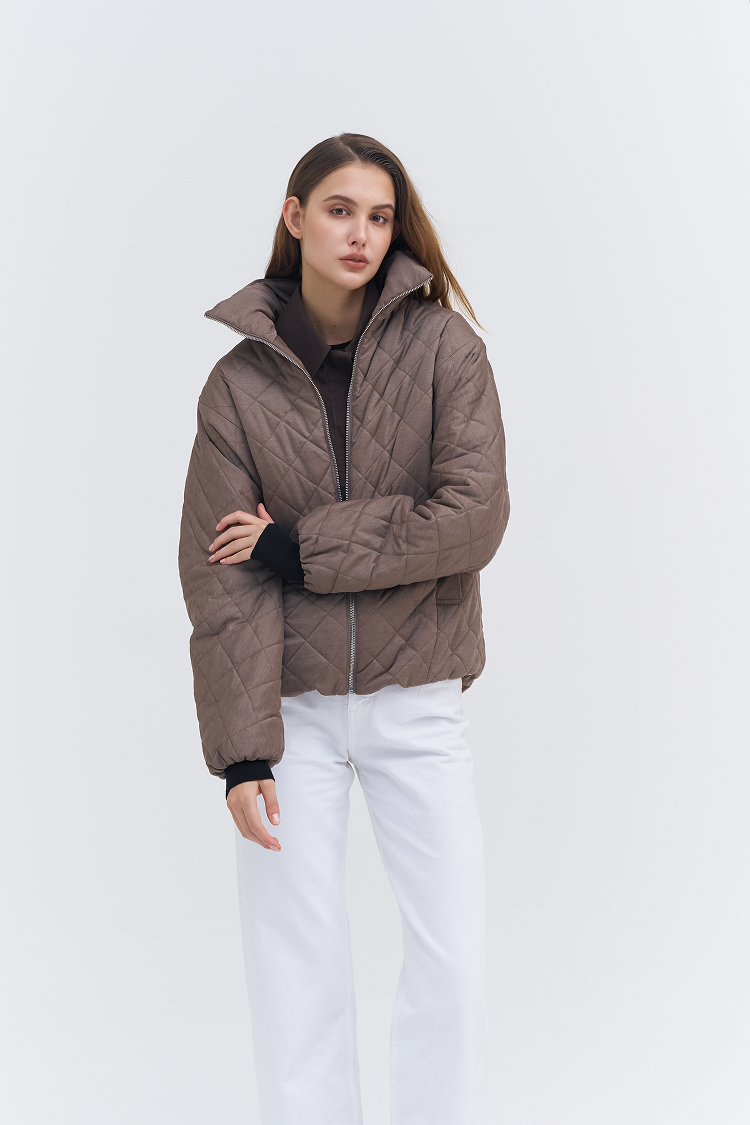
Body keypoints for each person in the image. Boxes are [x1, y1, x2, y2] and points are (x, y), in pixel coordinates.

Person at [178, 132, 510, 1125]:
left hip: (420, 701)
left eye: (378, 216)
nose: (360, 233)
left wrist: (298, 545)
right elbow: (222, 577)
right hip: (293, 716)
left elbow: (472, 519)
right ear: (295, 217)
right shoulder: (237, 386)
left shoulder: (447, 350)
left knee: (454, 962)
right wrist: (243, 754)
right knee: (296, 972)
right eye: (338, 210)